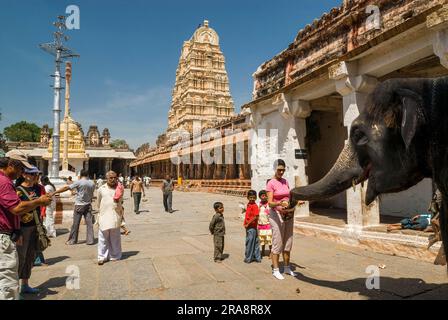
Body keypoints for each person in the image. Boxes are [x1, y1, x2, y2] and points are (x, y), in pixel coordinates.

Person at [0, 151, 51, 300]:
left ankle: (24, 284)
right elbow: (16, 208)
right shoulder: (4, 182)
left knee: (26, 259)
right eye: (21, 168)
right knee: (7, 282)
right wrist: (38, 202)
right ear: (11, 165)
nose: (23, 172)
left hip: (17, 230)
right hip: (7, 233)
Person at [15, 167, 48, 293]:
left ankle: (25, 284)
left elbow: (43, 204)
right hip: (22, 228)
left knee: (30, 257)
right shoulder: (18, 191)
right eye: (32, 174)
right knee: (20, 257)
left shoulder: (38, 188)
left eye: (36, 174)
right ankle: (15, 288)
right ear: (24, 174)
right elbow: (15, 211)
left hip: (36, 226)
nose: (35, 176)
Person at [267, 159, 297, 280]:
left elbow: (288, 196)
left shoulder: (285, 181)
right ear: (274, 169)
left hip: (288, 214)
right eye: (279, 169)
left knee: (288, 241)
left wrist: (293, 203)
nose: (281, 172)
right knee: (278, 241)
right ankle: (275, 269)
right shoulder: (271, 183)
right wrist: (280, 203)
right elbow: (270, 203)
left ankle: (287, 267)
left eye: (283, 170)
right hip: (276, 215)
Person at [53, 169, 95, 245]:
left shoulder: (79, 182)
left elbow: (66, 188)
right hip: (88, 204)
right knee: (89, 224)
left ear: (81, 175)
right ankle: (90, 240)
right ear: (88, 174)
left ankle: (73, 240)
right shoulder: (92, 183)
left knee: (76, 224)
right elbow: (92, 194)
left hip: (79, 205)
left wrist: (55, 192)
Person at [96, 171, 123, 265]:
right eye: (110, 178)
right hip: (104, 216)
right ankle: (101, 256)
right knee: (103, 238)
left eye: (115, 178)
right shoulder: (101, 189)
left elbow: (120, 202)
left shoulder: (119, 189)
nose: (113, 179)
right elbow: (98, 203)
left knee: (115, 238)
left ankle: (115, 255)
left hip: (115, 216)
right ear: (106, 178)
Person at [244, 190, 261, 264]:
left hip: (251, 227)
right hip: (249, 227)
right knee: (255, 242)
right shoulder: (248, 204)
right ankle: (256, 257)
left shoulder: (254, 206)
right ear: (247, 197)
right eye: (250, 197)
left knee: (250, 242)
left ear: (256, 198)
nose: (252, 199)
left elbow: (256, 216)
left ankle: (248, 258)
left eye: (253, 198)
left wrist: (248, 223)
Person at [258, 190, 273, 259]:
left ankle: (271, 252)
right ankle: (263, 251)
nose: (264, 197)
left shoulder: (269, 205)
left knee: (269, 239)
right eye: (262, 196)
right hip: (261, 225)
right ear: (260, 197)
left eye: (265, 196)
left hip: (268, 225)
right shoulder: (259, 205)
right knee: (262, 239)